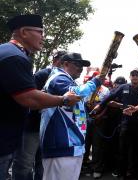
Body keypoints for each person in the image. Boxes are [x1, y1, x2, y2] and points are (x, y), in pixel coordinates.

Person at [0, 14, 80, 179]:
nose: (43, 37)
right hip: (6, 136)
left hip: (10, 134)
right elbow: (30, 98)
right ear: (23, 32)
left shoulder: (11, 53)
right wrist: (63, 99)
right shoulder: (14, 56)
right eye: (40, 32)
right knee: (24, 165)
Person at [40, 53, 103, 180]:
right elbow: (76, 94)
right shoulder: (58, 78)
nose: (80, 68)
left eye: (82, 66)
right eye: (77, 64)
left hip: (72, 146)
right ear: (66, 64)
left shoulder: (69, 80)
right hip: (60, 146)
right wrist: (95, 82)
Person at [11, 50, 67, 180]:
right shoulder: (43, 74)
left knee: (42, 164)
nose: (65, 63)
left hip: (48, 128)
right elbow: (30, 99)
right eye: (63, 60)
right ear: (55, 60)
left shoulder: (64, 78)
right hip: (33, 126)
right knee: (24, 163)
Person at [92, 69, 138, 179]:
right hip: (125, 123)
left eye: (137, 75)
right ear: (130, 77)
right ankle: (122, 172)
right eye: (132, 75)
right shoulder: (123, 87)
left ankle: (134, 172)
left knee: (137, 150)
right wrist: (100, 105)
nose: (134, 77)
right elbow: (110, 97)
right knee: (122, 149)